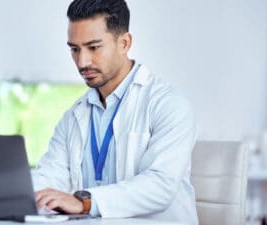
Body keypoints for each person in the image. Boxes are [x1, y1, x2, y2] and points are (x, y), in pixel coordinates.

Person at [33, 0, 198, 224]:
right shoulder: (74, 116)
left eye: (94, 47)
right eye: (74, 49)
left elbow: (160, 185)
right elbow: (50, 175)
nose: (82, 62)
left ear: (124, 43)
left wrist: (85, 202)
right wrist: (20, 194)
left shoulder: (168, 104)